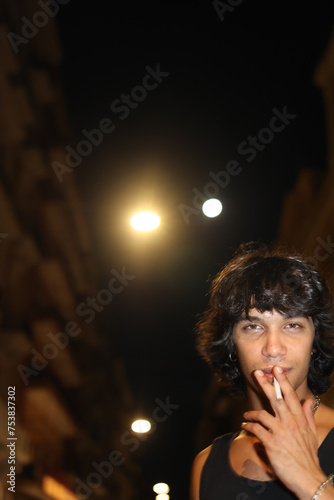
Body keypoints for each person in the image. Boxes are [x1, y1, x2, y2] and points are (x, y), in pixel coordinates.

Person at [190, 242, 334, 500]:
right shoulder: (206, 466)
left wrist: (309, 480)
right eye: (253, 327)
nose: (274, 348)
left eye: (292, 324)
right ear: (231, 345)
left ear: (315, 342)